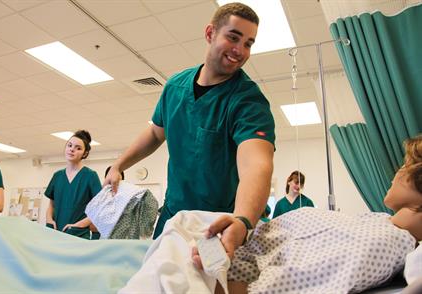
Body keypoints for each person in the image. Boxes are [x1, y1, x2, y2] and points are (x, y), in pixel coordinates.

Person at [105, 2, 275, 257]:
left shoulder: (248, 100)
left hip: (218, 224)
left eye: (249, 43)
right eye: (233, 37)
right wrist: (119, 165)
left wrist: (242, 221)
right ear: (210, 33)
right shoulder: (174, 86)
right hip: (173, 217)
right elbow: (155, 133)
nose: (240, 50)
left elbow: (256, 165)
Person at [224, 136, 422, 293]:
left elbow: (277, 285)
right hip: (236, 245)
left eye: (406, 165)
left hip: (225, 266)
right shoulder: (378, 222)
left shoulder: (383, 242)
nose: (397, 172)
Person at [45, 130, 102, 240]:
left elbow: (100, 208)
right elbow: (51, 205)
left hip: (78, 235)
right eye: (69, 145)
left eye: (78, 148)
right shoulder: (57, 176)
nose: (72, 149)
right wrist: (49, 220)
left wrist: (80, 225)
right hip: (55, 233)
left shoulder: (90, 176)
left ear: (85, 154)